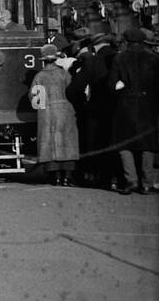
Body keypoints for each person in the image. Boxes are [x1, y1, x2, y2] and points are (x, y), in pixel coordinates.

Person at [108, 26, 159, 194]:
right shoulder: (153, 60)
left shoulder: (119, 59)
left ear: (126, 41)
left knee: (124, 144)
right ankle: (147, 182)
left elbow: (111, 85)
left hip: (125, 105)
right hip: (148, 105)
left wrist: (119, 88)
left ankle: (131, 180)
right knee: (147, 144)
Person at [30, 43, 80, 185]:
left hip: (47, 112)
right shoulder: (64, 74)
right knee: (67, 142)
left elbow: (35, 100)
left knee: (50, 143)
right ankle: (68, 176)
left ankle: (56, 177)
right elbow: (73, 91)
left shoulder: (39, 76)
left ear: (43, 60)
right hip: (66, 110)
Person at [79, 31, 118, 190]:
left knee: (95, 143)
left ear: (94, 47)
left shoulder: (92, 62)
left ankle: (97, 176)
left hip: (95, 109)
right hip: (117, 108)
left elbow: (76, 87)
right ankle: (115, 177)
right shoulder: (119, 58)